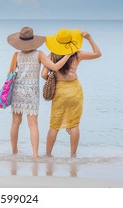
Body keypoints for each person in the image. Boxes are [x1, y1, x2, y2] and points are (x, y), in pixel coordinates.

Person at [7, 27, 72, 158]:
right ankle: (35, 155)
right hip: (32, 92)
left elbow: (10, 74)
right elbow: (54, 67)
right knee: (33, 125)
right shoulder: (39, 54)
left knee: (15, 123)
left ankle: (14, 152)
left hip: (17, 90)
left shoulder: (16, 55)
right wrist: (67, 55)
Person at [41, 28, 102, 158]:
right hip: (75, 90)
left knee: (54, 125)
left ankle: (48, 155)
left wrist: (52, 79)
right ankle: (73, 156)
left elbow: (44, 74)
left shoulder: (51, 55)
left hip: (60, 92)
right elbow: (98, 53)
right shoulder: (77, 54)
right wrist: (89, 37)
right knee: (74, 124)